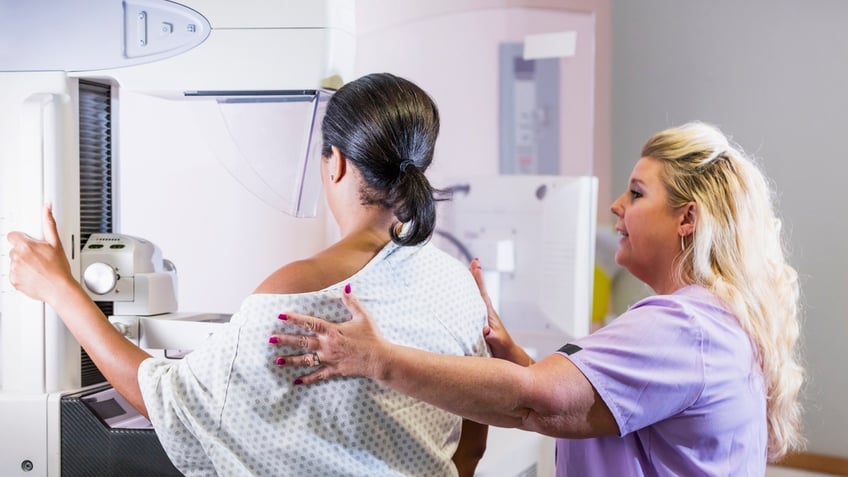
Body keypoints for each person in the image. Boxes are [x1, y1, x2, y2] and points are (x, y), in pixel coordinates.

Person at [7, 73, 492, 476]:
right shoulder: (458, 287)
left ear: (336, 163)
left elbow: (169, 402)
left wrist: (61, 289)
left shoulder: (296, 290)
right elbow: (472, 442)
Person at [272, 121, 805, 476]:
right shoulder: (710, 319)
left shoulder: (682, 326)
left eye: (638, 194)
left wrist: (374, 358)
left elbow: (537, 402)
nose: (618, 206)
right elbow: (595, 406)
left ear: (688, 218)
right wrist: (521, 360)